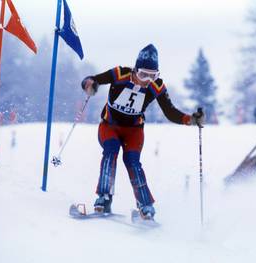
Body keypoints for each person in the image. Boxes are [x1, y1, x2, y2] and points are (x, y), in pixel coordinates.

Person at [81, 44, 204, 219]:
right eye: (143, 75)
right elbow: (93, 79)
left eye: (152, 76)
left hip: (134, 131)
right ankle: (104, 197)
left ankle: (145, 206)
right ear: (135, 70)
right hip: (110, 126)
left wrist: (190, 120)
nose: (146, 80)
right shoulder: (120, 74)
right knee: (111, 151)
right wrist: (89, 84)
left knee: (133, 162)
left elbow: (170, 111)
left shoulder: (157, 86)